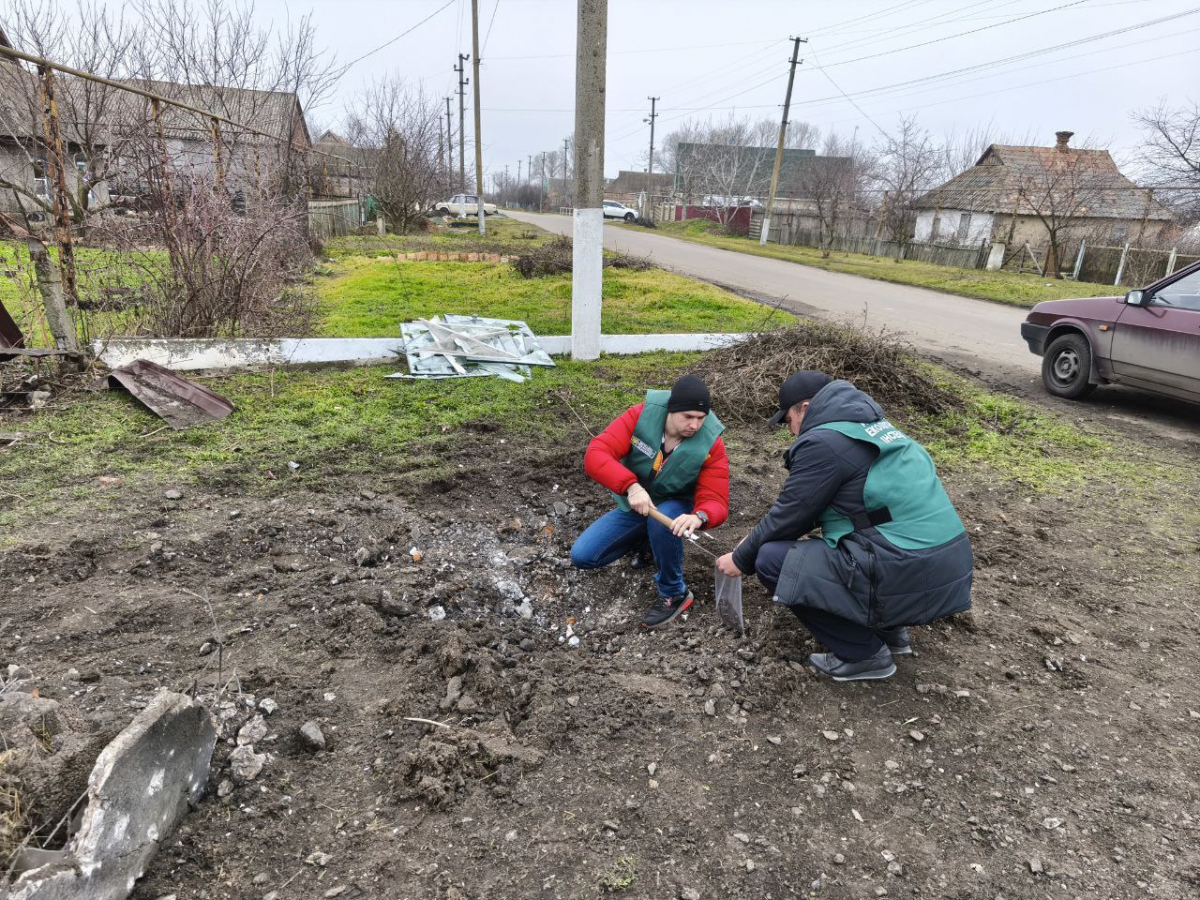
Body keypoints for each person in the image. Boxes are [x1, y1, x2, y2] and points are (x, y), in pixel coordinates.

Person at [716, 372, 972, 681]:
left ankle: (863, 653)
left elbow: (791, 515)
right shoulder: (877, 428)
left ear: (806, 408)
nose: (791, 431)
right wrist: (754, 538)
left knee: (771, 559)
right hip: (947, 563)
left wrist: (742, 556)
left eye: (789, 421)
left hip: (905, 569)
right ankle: (891, 632)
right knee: (865, 531)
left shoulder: (822, 441)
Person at [571, 374, 729, 629]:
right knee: (583, 556)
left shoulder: (711, 442)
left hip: (677, 506)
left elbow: (717, 498)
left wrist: (699, 516)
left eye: (700, 418)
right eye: (687, 417)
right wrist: (631, 486)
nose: (695, 425)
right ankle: (648, 544)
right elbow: (596, 454)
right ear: (671, 410)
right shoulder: (640, 417)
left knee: (665, 520)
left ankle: (674, 592)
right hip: (638, 502)